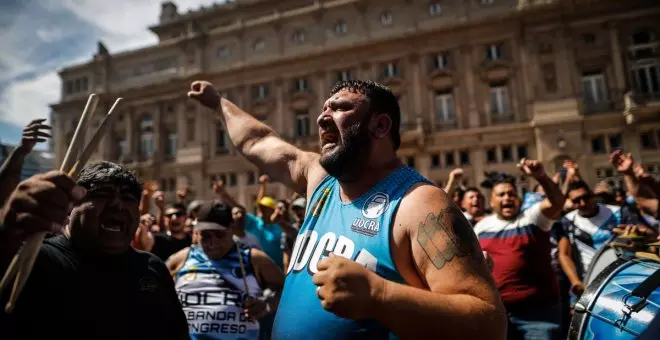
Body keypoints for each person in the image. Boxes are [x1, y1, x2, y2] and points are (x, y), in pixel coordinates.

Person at [188, 79, 506, 339]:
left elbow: (489, 323)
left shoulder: (419, 203)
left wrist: (380, 295)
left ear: (380, 125)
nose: (322, 118)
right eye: (324, 109)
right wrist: (218, 103)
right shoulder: (319, 179)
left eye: (340, 108)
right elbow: (257, 141)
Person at [0, 162, 188, 339]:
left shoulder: (153, 268)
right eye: (102, 194)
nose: (117, 204)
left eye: (128, 197)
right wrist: (6, 230)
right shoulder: (35, 261)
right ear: (71, 206)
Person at [473, 162, 566, 340]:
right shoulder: (481, 228)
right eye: (501, 195)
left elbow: (558, 202)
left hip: (538, 317)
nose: (507, 198)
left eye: (511, 193)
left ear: (519, 198)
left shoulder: (533, 218)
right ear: (492, 201)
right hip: (498, 315)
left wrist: (541, 176)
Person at [167, 201, 284, 340]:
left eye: (219, 235)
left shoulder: (253, 259)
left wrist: (266, 304)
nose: (212, 243)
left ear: (231, 228)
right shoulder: (182, 259)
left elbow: (283, 289)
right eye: (205, 236)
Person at [561, 180, 638, 283]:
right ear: (570, 202)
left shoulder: (619, 213)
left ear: (592, 194)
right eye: (577, 200)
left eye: (586, 197)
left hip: (623, 278)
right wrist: (575, 281)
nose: (583, 203)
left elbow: (637, 242)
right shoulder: (568, 221)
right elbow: (564, 254)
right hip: (589, 282)